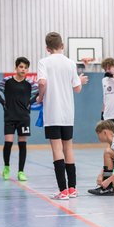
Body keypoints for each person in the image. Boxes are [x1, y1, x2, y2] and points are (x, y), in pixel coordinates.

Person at [37, 32, 88, 200]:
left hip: (52, 112)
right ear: (62, 46)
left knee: (57, 150)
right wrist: (79, 80)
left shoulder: (44, 62)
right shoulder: (70, 63)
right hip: (68, 113)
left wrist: (40, 96)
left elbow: (42, 82)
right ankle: (72, 188)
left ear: (47, 48)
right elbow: (77, 88)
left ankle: (63, 190)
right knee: (69, 148)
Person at [0, 57, 38, 181]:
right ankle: (6, 168)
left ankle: (21, 171)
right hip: (9, 117)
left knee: (22, 144)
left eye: (26, 67)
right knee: (8, 143)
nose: (23, 69)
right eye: (21, 67)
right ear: (16, 67)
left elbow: (39, 92)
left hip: (24, 117)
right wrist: (2, 102)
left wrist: (30, 102)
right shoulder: (7, 81)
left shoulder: (30, 84)